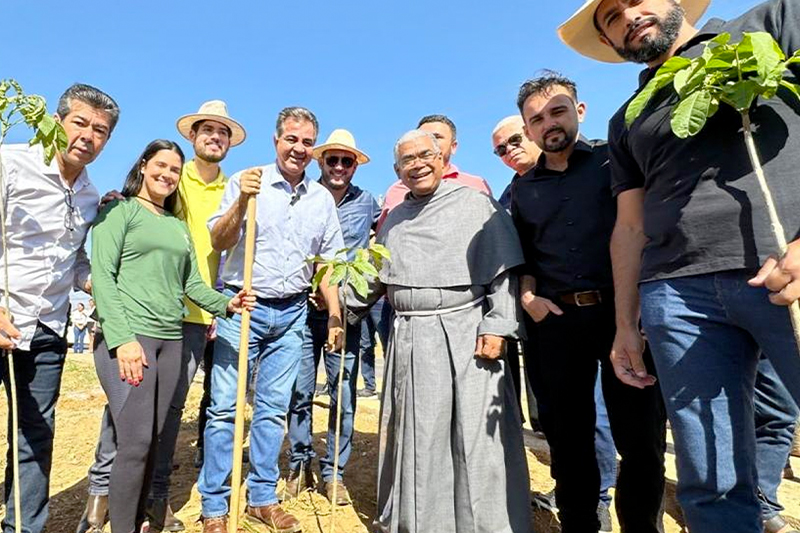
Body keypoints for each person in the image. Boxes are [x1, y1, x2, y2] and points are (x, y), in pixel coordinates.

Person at [558, 0, 800, 531]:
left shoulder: (768, 28)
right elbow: (629, 226)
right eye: (611, 18)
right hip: (676, 297)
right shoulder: (629, 116)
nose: (628, 16)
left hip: (785, 267)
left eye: (635, 0)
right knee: (710, 482)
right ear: (611, 42)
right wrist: (625, 324)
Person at [348, 129, 530, 533]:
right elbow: (371, 279)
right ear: (398, 171)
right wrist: (331, 300)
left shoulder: (474, 203)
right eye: (407, 161)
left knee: (474, 438)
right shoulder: (393, 219)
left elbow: (503, 272)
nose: (418, 165)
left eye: (425, 155)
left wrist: (498, 324)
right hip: (411, 337)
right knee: (421, 437)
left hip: (467, 333)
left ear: (443, 156)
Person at [77, 101, 245, 533]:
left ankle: (137, 518)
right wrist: (122, 339)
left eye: (174, 169)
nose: (168, 175)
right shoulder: (119, 211)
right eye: (161, 166)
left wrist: (227, 304)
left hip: (172, 339)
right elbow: (104, 276)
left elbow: (191, 284)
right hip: (130, 337)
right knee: (132, 442)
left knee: (152, 438)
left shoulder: (175, 226)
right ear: (144, 166)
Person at [511, 73, 666, 533]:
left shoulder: (614, 162)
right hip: (557, 323)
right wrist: (528, 295)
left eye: (556, 112)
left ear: (579, 111)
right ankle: (580, 526)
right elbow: (522, 255)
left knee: (640, 438)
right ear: (528, 129)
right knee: (568, 438)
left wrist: (636, 314)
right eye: (536, 119)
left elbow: (644, 229)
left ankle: (642, 527)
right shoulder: (524, 189)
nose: (548, 125)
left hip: (626, 316)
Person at [198, 107, 344, 533]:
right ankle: (215, 506)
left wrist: (334, 313)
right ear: (276, 140)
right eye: (291, 139)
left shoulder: (320, 199)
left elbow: (326, 264)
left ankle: (261, 497)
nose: (298, 148)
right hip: (243, 304)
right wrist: (243, 200)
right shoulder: (248, 182)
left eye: (306, 142)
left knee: (271, 410)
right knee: (224, 410)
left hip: (293, 311)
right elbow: (220, 240)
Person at [0, 83, 119, 533]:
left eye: (101, 131)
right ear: (57, 121)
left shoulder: (91, 196)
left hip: (47, 329)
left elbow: (74, 263)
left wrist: (105, 283)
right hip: (2, 315)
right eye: (80, 123)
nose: (88, 136)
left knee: (34, 436)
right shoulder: (10, 163)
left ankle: (24, 527)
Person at [284, 129, 379, 505]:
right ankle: (298, 462)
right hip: (302, 312)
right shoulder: (303, 197)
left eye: (347, 161)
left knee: (343, 393)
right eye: (332, 159)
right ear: (320, 162)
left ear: (355, 166)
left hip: (347, 315)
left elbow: (380, 249)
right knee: (301, 391)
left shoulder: (368, 203)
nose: (339, 167)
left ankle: (334, 473)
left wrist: (347, 301)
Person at [376, 114, 492, 228]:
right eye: (422, 136)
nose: (430, 142)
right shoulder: (395, 191)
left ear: (453, 146)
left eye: (436, 137)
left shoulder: (475, 186)